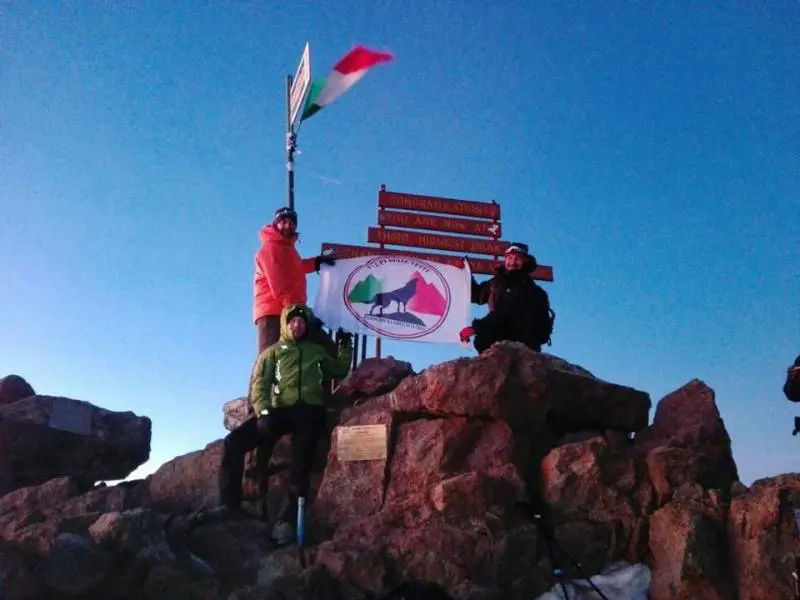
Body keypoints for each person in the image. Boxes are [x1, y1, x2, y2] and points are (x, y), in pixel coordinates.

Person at [218, 303, 352, 543]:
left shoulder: (316, 351)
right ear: (285, 324)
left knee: (300, 463)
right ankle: (229, 505)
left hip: (309, 411)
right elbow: (260, 383)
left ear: (306, 325)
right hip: (279, 410)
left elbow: (339, 370)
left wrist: (344, 345)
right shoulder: (273, 352)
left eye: (301, 321)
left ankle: (287, 522)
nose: (297, 325)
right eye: (293, 321)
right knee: (233, 442)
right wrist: (263, 412)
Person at [253, 206, 336, 354]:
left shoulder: (287, 249)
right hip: (273, 313)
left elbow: (296, 268)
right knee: (270, 358)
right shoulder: (271, 248)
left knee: (310, 350)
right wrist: (297, 314)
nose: (288, 225)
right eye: (283, 221)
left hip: (290, 309)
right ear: (275, 224)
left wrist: (316, 262)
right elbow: (279, 286)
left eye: (291, 222)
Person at [460, 242, 554, 354]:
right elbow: (476, 295)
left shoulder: (530, 289)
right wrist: (464, 273)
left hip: (521, 347)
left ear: (525, 262)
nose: (512, 262)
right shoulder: (496, 283)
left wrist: (477, 328)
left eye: (517, 259)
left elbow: (506, 312)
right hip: (495, 344)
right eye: (509, 258)